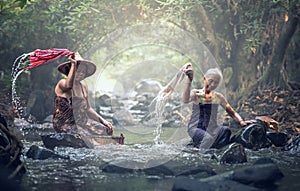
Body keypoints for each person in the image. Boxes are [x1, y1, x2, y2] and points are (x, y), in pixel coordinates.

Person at [180, 63, 254, 149]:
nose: (212, 84)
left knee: (226, 130)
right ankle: (199, 152)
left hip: (212, 128)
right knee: (207, 138)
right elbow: (185, 100)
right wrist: (189, 79)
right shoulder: (196, 93)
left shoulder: (219, 97)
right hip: (196, 128)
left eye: (216, 82)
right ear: (204, 79)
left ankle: (218, 149)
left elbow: (232, 113)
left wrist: (241, 121)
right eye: (210, 81)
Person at [52, 53, 114, 137]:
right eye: (78, 71)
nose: (81, 74)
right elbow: (69, 85)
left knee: (105, 130)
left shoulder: (83, 87)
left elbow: (88, 108)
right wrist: (73, 64)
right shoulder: (62, 83)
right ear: (71, 70)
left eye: (83, 72)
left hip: (81, 121)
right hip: (64, 122)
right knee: (84, 135)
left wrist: (103, 121)